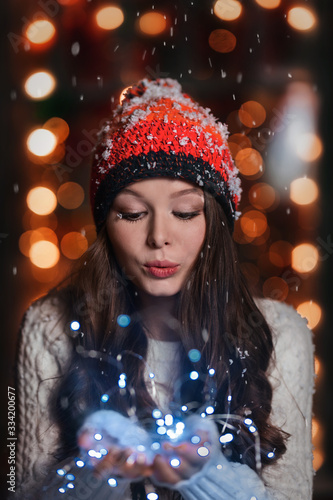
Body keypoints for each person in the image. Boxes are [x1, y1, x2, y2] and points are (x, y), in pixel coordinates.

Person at [15, 78, 314, 500]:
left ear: (215, 220)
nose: (159, 236)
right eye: (133, 213)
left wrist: (207, 477)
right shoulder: (50, 328)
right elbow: (20, 489)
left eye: (185, 211)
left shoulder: (281, 335)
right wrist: (96, 475)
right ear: (106, 224)